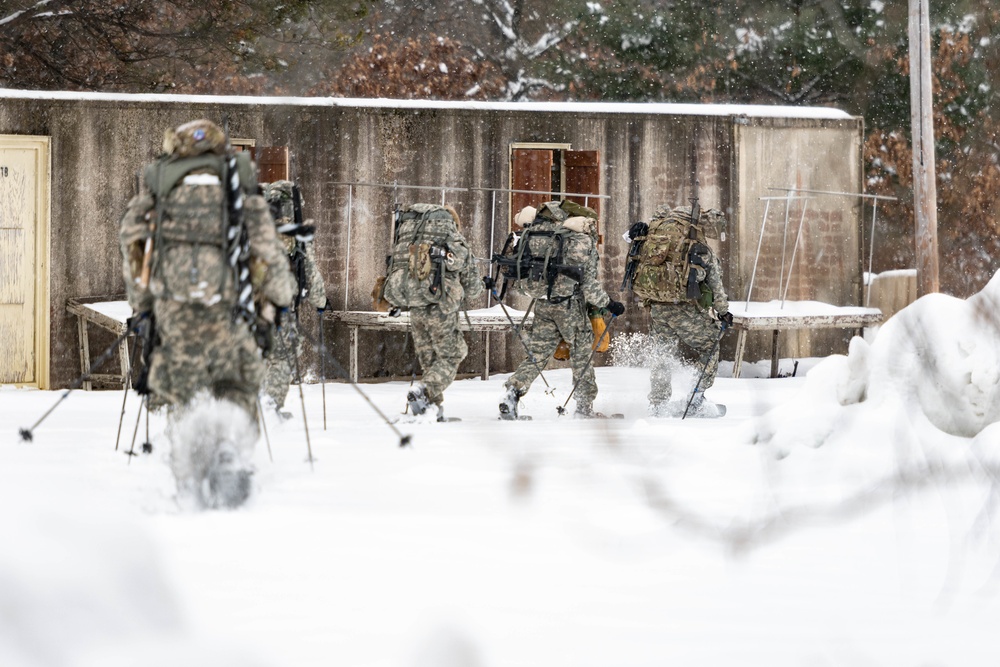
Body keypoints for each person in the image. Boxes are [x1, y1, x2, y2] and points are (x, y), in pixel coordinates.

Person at [119, 119, 295, 505]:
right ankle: (230, 447)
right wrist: (279, 302)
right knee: (238, 384)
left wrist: (144, 309)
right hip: (228, 322)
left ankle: (188, 467)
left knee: (181, 392)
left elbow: (135, 257)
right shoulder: (243, 200)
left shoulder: (154, 200)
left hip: (175, 323)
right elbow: (271, 260)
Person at [496, 202, 625, 419]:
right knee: (581, 356)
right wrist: (609, 303)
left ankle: (513, 392)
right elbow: (586, 282)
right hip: (570, 306)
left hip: (544, 303)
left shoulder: (545, 237)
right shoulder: (579, 241)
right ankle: (584, 408)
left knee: (537, 354)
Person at [627, 204, 732, 418]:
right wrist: (723, 311)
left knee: (661, 353)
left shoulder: (655, 237)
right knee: (710, 344)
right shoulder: (697, 247)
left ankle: (658, 403)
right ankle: (696, 398)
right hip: (684, 308)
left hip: (657, 308)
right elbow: (715, 284)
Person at [381, 203, 484, 421]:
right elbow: (473, 286)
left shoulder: (411, 241)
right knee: (452, 354)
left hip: (415, 302)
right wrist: (479, 284)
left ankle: (431, 409)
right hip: (442, 304)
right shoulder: (454, 241)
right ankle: (425, 391)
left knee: (429, 357)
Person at [259, 180, 328, 419]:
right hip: (279, 307)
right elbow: (310, 273)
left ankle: (248, 405)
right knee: (282, 355)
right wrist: (321, 302)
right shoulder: (294, 237)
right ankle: (269, 407)